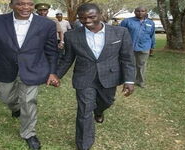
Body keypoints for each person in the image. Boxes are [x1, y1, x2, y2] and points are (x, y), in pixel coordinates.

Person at [0, 0, 59, 149]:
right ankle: (16, 108)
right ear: (11, 5)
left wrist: (53, 72)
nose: (25, 7)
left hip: (32, 68)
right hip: (4, 68)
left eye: (29, 4)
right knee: (5, 97)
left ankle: (29, 133)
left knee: (29, 101)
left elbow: (51, 51)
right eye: (20, 4)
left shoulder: (47, 24)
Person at [56, 3, 135, 150]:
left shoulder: (120, 33)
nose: (87, 21)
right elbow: (67, 59)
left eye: (91, 17)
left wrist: (129, 80)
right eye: (82, 18)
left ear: (100, 14)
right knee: (85, 110)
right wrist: (57, 75)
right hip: (84, 77)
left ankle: (99, 111)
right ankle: (84, 145)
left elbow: (127, 58)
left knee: (107, 102)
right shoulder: (71, 35)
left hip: (109, 77)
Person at [120, 6, 155, 88]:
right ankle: (127, 80)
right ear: (134, 12)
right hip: (129, 47)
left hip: (144, 47)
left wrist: (152, 47)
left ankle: (140, 82)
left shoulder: (150, 23)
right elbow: (119, 32)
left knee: (141, 65)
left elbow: (152, 35)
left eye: (142, 11)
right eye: (138, 11)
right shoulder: (127, 21)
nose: (140, 13)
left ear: (146, 12)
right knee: (128, 64)